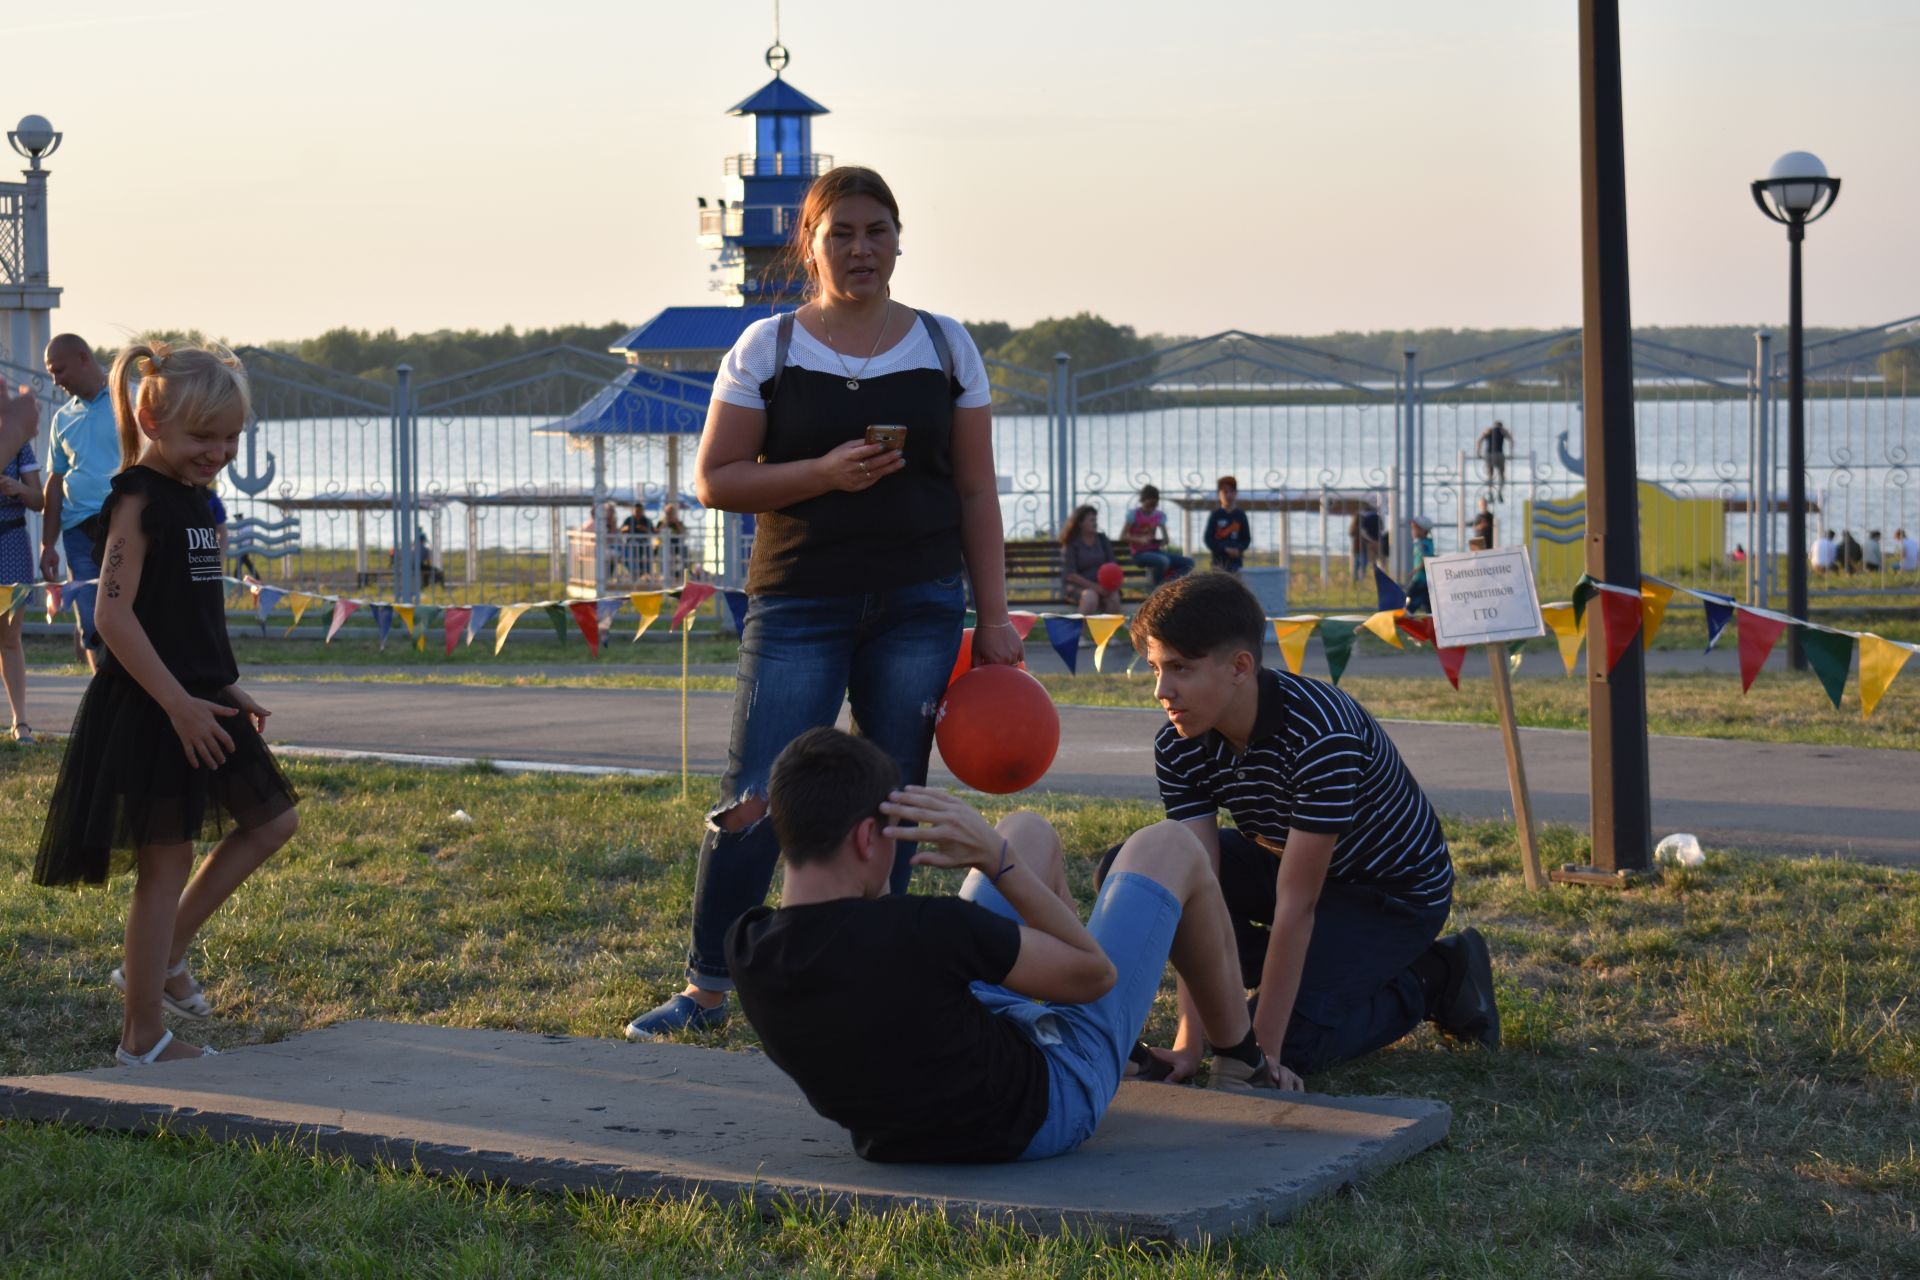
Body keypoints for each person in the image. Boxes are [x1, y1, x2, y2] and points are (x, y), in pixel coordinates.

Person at [625, 165, 1021, 1039]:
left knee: (896, 795)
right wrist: (821, 475)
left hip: (920, 602)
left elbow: (977, 493)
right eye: (840, 232)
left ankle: (876, 974)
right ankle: (707, 988)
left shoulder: (946, 345)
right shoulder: (767, 347)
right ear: (810, 244)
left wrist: (992, 619)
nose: (860, 248)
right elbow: (716, 479)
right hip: (799, 600)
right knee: (759, 791)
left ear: (899, 238)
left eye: (876, 230)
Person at [726, 728, 1283, 1163]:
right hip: (1046, 1109)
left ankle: (1130, 1055)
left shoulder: (747, 945)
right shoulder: (926, 928)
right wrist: (995, 859)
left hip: (895, 1133)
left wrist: (1008, 849)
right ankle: (1241, 1060)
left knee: (1028, 831)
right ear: (868, 837)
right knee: (1171, 845)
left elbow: (856, 954)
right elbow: (1095, 974)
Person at [1118, 572, 1497, 1088]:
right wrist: (1191, 1042)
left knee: (1291, 1045)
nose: (1163, 690)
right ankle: (1304, 976)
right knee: (1141, 875)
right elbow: (1194, 888)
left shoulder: (1321, 731)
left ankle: (1437, 976)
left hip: (1391, 892)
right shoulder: (1178, 743)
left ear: (1240, 667)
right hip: (1288, 864)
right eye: (1156, 669)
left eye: (1180, 668)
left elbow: (1299, 904)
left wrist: (1261, 1055)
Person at [32, 341, 299, 1066]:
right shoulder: (139, 499)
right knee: (166, 863)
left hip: (199, 694)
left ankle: (169, 957)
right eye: (202, 436)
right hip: (152, 706)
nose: (219, 451)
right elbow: (114, 620)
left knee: (274, 822)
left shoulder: (199, 500)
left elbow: (191, 609)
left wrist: (220, 681)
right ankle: (141, 1035)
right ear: (152, 418)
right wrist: (180, 701)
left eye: (231, 437)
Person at [40, 335, 120, 674]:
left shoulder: (127, 400)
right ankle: (102, 694)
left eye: (59, 370)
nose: (56, 381)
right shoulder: (62, 418)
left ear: (84, 358)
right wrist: (47, 543)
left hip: (123, 525)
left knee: (129, 616)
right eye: (51, 373)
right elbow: (55, 482)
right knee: (90, 620)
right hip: (77, 533)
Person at [0, 438, 45, 742]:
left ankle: (20, 721)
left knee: (9, 638)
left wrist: (18, 488)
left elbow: (39, 500)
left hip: (11, 545)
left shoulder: (18, 443)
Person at [1121, 484, 1191, 587]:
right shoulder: (1134, 515)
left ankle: (1168, 584)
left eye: (1154, 505)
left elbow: (1166, 540)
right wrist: (1139, 540)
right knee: (1163, 561)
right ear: (1143, 501)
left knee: (1188, 563)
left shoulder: (1159, 516)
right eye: (1149, 505)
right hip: (1139, 554)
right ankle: (1158, 587)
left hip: (1156, 551)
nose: (1151, 508)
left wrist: (1160, 540)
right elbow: (1123, 536)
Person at [1060, 504, 1123, 615]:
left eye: (1096, 519)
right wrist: (1095, 587)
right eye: (1091, 520)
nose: (1095, 523)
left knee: (1114, 597)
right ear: (1080, 523)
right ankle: (1079, 632)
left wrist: (1108, 585)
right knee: (1090, 597)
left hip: (1103, 586)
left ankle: (1108, 632)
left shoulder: (1102, 539)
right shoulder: (1072, 543)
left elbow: (1112, 564)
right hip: (1078, 587)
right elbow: (1071, 575)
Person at [1202, 476, 1250, 573]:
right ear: (1219, 494)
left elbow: (1246, 539)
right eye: (1225, 492)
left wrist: (1239, 549)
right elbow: (1208, 539)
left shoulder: (1241, 515)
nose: (1228, 495)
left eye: (1231, 491)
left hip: (1236, 563)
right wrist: (1224, 549)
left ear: (1236, 493)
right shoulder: (1216, 515)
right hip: (1218, 562)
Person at [1405, 515, 1436, 614]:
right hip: (1425, 580)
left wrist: (1415, 570)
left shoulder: (1423, 544)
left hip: (1420, 579)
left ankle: (1407, 615)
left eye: (1415, 528)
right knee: (1428, 604)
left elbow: (1426, 559)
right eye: (1412, 528)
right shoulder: (1422, 542)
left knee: (1407, 600)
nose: (1412, 531)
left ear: (1423, 531)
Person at [1476, 420, 1511, 501]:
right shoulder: (1502, 431)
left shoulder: (1489, 431)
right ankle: (1499, 492)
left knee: (1490, 476)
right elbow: (1511, 440)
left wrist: (1478, 453)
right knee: (1501, 475)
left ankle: (1490, 493)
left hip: (1489, 455)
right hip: (1499, 455)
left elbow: (1479, 441)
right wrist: (1511, 453)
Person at [619, 501, 654, 579]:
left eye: (640, 511)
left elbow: (653, 532)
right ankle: (634, 573)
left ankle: (647, 574)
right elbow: (621, 530)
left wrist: (645, 529)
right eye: (636, 511)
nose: (638, 513)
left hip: (644, 543)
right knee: (628, 555)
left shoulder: (646, 520)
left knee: (648, 554)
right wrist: (626, 529)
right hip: (631, 543)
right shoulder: (629, 520)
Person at [1350, 501, 1385, 579]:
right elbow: (1382, 529)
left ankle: (1356, 579)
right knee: (1378, 560)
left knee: (1358, 563)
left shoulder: (1362, 519)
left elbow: (1361, 532)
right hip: (1375, 542)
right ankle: (1379, 575)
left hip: (1363, 545)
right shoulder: (1377, 517)